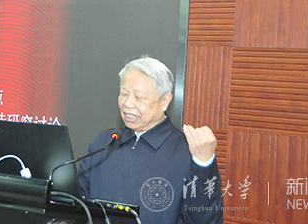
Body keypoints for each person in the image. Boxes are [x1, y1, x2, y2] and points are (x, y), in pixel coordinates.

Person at [78, 56, 224, 224]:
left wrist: (204, 164)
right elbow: (75, 207)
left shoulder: (188, 151)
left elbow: (206, 220)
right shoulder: (104, 143)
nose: (127, 103)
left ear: (165, 101)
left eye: (139, 97)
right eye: (124, 94)